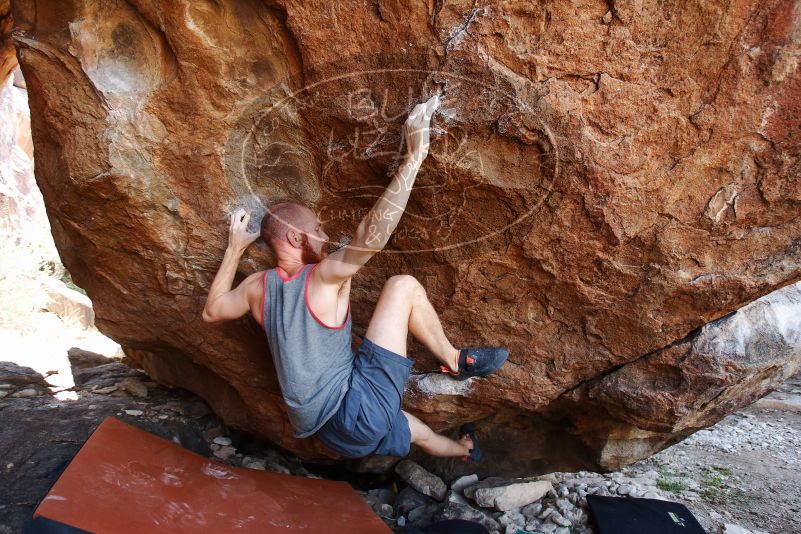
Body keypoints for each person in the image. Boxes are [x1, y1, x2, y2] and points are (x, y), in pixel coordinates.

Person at [202, 94, 508, 460]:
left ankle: (463, 450)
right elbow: (370, 239)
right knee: (403, 287)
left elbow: (212, 311)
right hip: (355, 411)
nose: (326, 236)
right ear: (296, 238)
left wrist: (235, 249)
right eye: (318, 229)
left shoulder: (256, 288)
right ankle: (456, 361)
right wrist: (414, 158)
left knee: (416, 431)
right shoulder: (320, 277)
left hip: (331, 434)